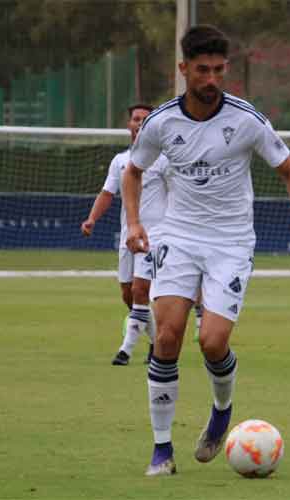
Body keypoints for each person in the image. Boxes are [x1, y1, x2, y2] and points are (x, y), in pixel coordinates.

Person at [122, 25, 290, 476]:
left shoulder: (245, 119)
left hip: (231, 243)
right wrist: (135, 222)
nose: (211, 79)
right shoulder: (160, 123)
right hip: (177, 236)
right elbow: (132, 172)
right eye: (202, 70)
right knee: (169, 336)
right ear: (184, 70)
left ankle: (221, 409)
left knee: (212, 341)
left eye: (218, 70)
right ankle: (161, 450)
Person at [80, 104, 167, 366]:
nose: (139, 123)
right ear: (129, 124)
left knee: (142, 290)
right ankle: (156, 343)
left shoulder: (164, 159)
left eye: (144, 119)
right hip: (128, 234)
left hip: (155, 235)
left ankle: (125, 350)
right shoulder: (120, 161)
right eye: (135, 119)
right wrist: (92, 219)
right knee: (128, 295)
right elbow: (107, 193)